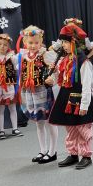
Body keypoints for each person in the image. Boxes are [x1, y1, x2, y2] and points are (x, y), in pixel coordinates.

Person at [47, 22, 93, 170]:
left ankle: (86, 156)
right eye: (62, 42)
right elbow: (61, 78)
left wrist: (84, 105)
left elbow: (86, 85)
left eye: (65, 42)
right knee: (70, 127)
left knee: (83, 128)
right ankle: (73, 154)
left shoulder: (84, 62)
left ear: (74, 42)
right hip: (67, 98)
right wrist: (53, 75)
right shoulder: (64, 60)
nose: (63, 45)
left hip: (80, 99)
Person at [18, 25, 57, 164]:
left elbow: (55, 70)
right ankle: (43, 150)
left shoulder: (45, 55)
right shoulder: (23, 56)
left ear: (41, 42)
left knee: (49, 121)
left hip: (43, 92)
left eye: (36, 42)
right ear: (25, 42)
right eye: (30, 42)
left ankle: (52, 151)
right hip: (30, 93)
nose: (33, 45)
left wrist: (53, 79)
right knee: (39, 123)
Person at [0, 33, 22, 140]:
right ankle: (1, 130)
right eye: (0, 44)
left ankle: (15, 128)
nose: (2, 46)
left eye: (5, 45)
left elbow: (17, 70)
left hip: (10, 86)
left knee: (12, 108)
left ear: (8, 46)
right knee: (0, 109)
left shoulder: (12, 58)